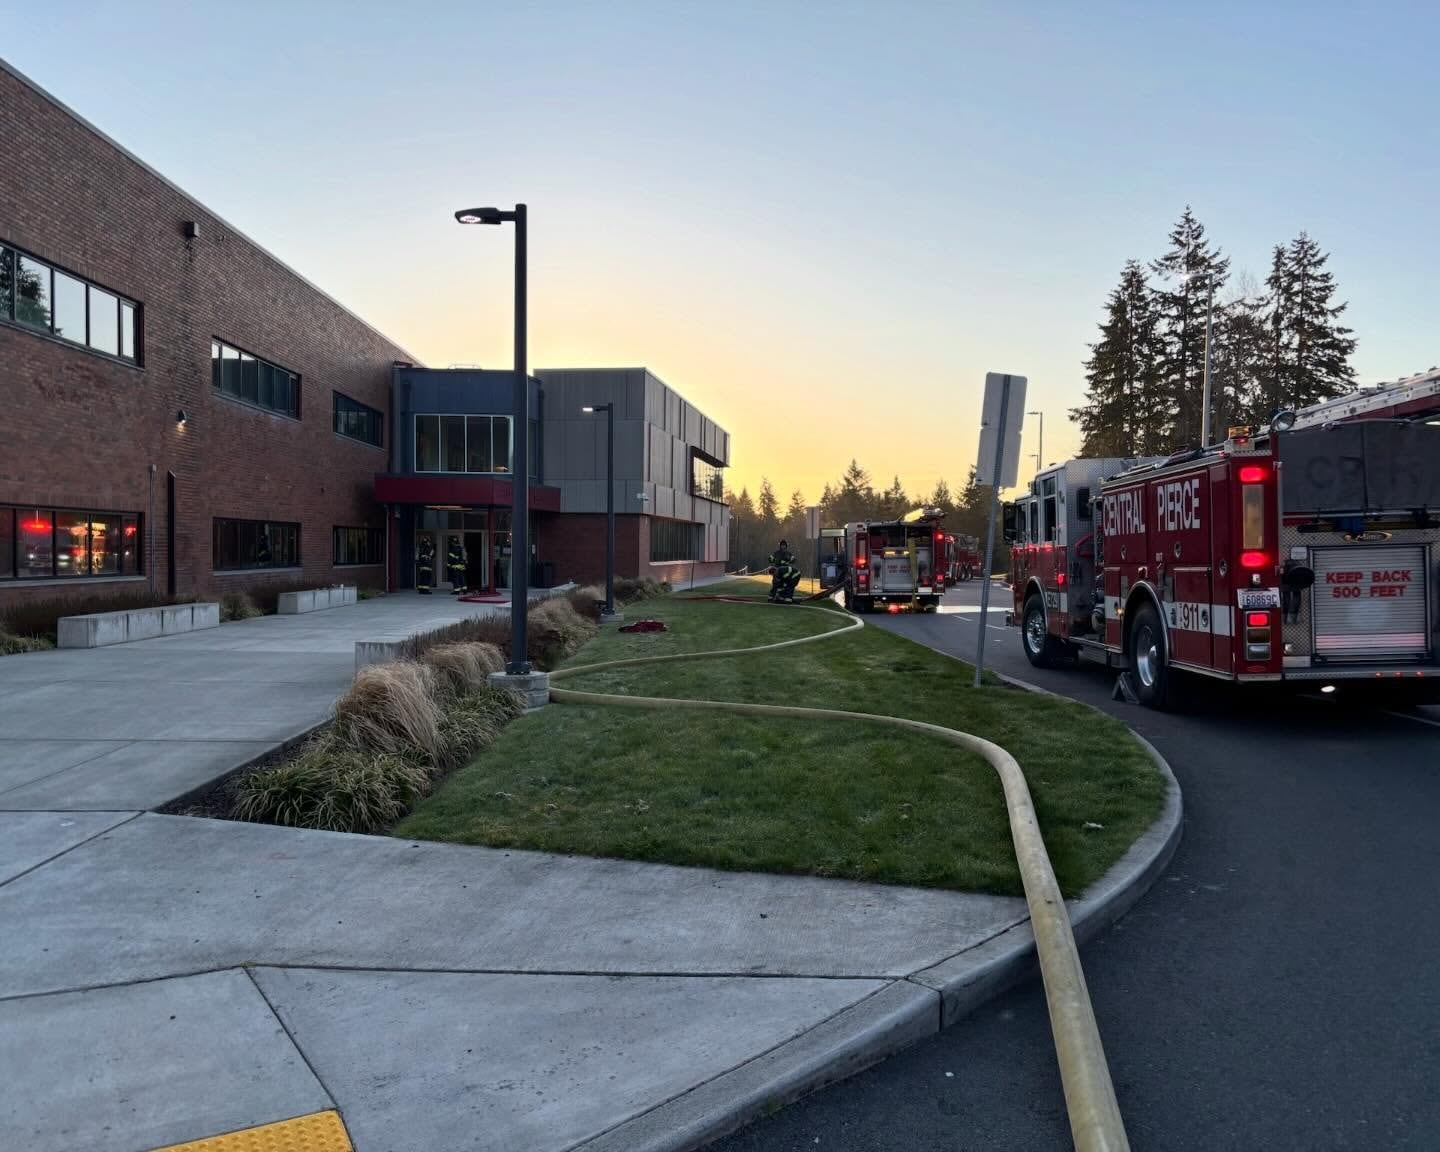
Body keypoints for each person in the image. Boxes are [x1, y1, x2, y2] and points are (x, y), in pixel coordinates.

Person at [767, 538, 801, 603]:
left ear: (786, 546)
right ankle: (772, 597)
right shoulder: (776, 553)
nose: (783, 546)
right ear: (780, 546)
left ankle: (781, 596)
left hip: (785, 572)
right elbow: (770, 559)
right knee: (776, 584)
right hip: (777, 571)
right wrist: (776, 560)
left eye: (784, 545)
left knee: (784, 584)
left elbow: (794, 560)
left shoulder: (788, 553)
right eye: (782, 545)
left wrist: (790, 560)